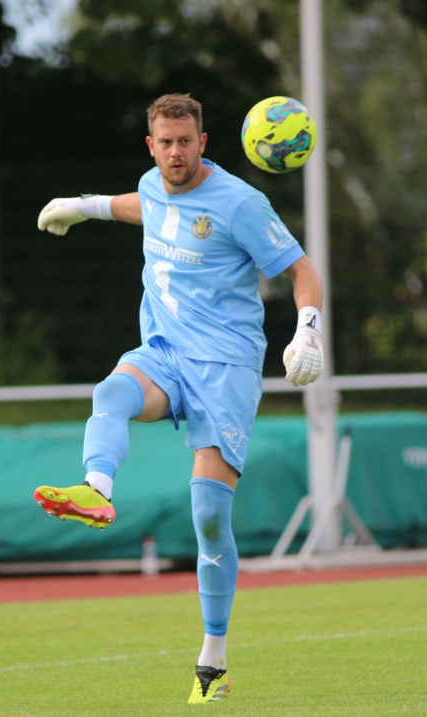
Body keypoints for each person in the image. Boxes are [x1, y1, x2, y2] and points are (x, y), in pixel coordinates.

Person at [33, 93, 324, 705]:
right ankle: (97, 490)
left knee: (209, 517)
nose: (174, 153)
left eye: (185, 141)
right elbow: (142, 207)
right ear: (151, 145)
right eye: (164, 142)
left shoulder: (242, 203)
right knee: (110, 391)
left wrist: (308, 330)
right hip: (165, 353)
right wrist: (81, 206)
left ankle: (212, 661)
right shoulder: (153, 184)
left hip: (224, 368)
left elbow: (301, 270)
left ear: (203, 141)